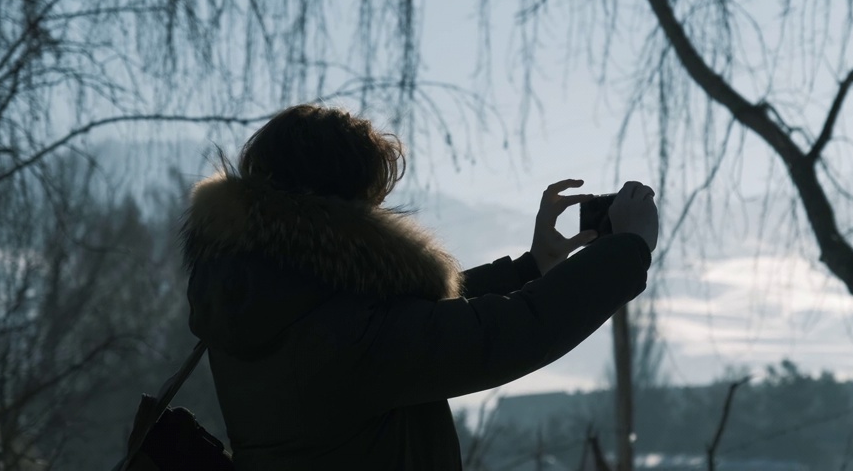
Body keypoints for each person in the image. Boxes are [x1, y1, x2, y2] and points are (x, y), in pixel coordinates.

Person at [181, 104, 659, 470]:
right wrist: (627, 249)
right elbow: (505, 334)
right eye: (370, 201)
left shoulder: (260, 300)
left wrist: (532, 267)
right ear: (340, 207)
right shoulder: (349, 337)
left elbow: (403, 323)